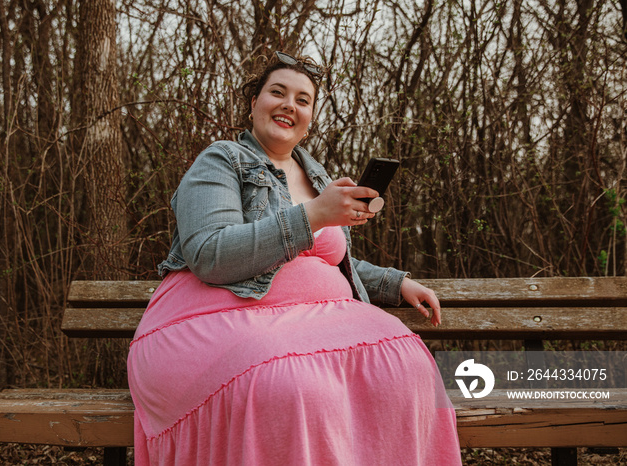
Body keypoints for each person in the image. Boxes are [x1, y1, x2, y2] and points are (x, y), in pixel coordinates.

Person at [127, 51, 462, 465]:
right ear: (254, 103)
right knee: (295, 385)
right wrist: (314, 214)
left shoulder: (318, 175)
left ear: (311, 118)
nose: (290, 104)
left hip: (315, 325)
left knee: (406, 369)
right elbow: (210, 254)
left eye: (303, 100)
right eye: (278, 92)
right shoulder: (222, 159)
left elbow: (326, 261)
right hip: (220, 321)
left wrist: (392, 283)